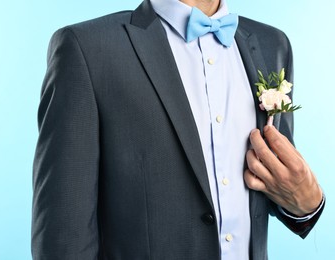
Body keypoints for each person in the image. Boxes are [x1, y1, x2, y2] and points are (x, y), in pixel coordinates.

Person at [31, 0, 325, 259]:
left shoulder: (273, 44)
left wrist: (308, 204)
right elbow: (63, 237)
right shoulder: (88, 48)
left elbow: (276, 185)